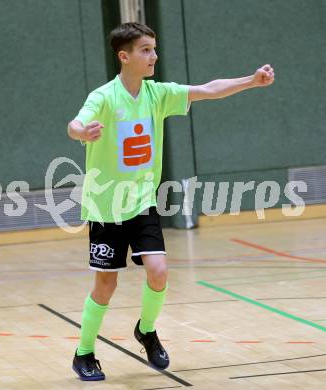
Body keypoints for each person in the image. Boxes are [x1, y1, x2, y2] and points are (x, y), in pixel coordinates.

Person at [67, 22, 274, 381]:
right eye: (146, 49)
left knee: (159, 272)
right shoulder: (103, 97)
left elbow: (207, 89)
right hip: (106, 207)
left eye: (154, 48)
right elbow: (75, 124)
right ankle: (84, 353)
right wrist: (82, 132)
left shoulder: (157, 94)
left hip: (143, 202)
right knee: (106, 286)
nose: (154, 56)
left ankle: (146, 330)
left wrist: (250, 81)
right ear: (124, 56)